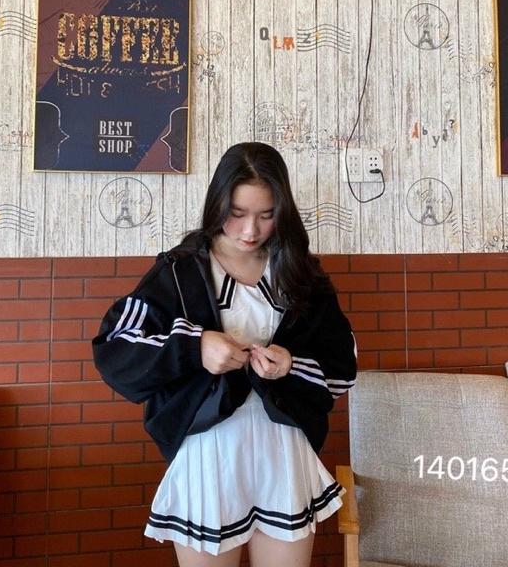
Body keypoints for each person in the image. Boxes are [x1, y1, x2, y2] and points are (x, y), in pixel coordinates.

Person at [92, 142, 358, 567]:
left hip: (283, 453)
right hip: (208, 455)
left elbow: (342, 368)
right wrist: (194, 347)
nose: (250, 230)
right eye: (237, 213)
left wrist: (289, 366)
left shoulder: (300, 273)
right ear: (217, 203)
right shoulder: (179, 271)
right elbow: (114, 347)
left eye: (266, 215)